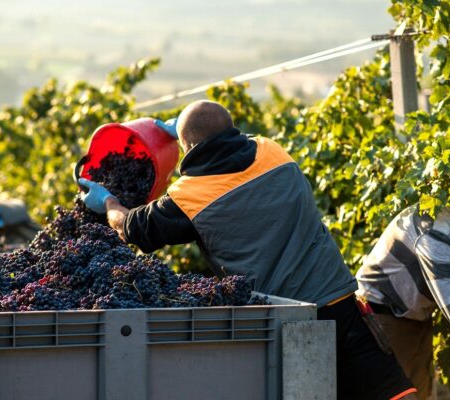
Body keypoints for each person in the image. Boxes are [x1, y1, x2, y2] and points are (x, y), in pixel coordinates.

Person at [79, 100, 418, 399]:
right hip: (341, 305)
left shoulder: (189, 198)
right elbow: (230, 136)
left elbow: (130, 228)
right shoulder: (272, 151)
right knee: (394, 393)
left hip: (285, 323)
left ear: (188, 147)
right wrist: (188, 130)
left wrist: (107, 200)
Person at [356, 180, 450, 400]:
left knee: (420, 393)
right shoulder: (436, 237)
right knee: (392, 394)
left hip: (413, 317)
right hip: (381, 319)